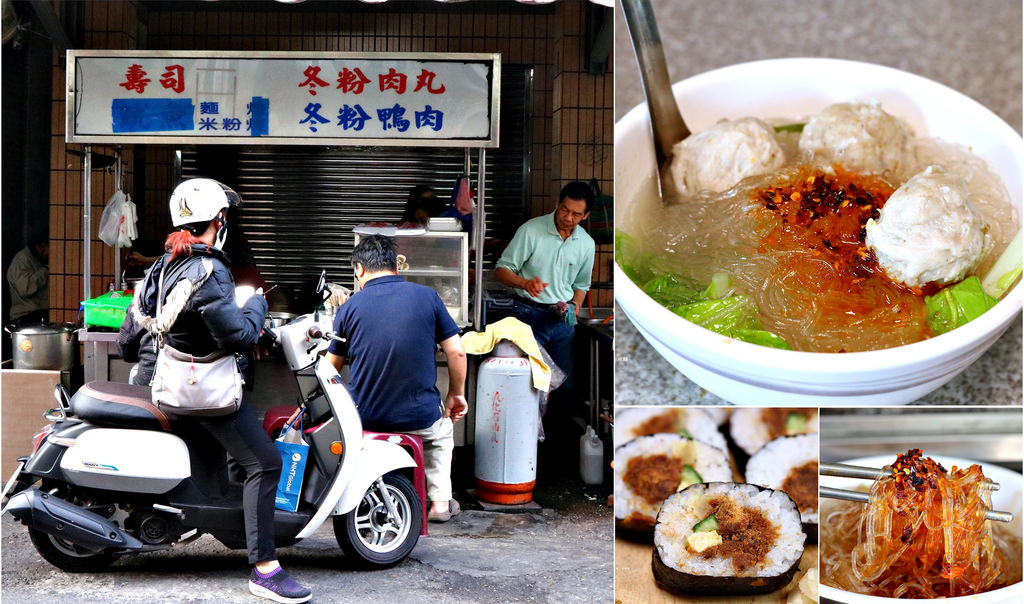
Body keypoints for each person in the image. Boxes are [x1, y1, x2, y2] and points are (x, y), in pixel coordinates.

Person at [118, 178, 311, 604]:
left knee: (218, 461)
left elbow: (126, 342)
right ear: (219, 220)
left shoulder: (161, 266)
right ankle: (264, 569)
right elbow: (240, 336)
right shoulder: (211, 270)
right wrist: (257, 302)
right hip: (205, 394)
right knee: (264, 463)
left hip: (165, 387)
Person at [324, 234, 468, 523]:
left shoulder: (349, 307)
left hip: (367, 418)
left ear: (359, 270)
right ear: (397, 268)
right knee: (441, 434)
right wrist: (456, 394)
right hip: (420, 417)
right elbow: (457, 353)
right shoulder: (428, 297)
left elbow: (331, 369)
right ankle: (440, 502)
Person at [494, 181, 596, 421]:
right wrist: (523, 283)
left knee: (561, 386)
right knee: (527, 383)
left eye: (576, 214)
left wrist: (576, 305)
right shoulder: (532, 230)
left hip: (562, 324)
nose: (568, 217)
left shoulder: (586, 244)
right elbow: (502, 269)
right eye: (564, 209)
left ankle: (554, 448)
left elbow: (581, 285)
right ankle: (522, 442)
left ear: (586, 215)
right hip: (528, 316)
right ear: (557, 204)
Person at [7, 234, 50, 326]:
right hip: (25, 316)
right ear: (43, 246)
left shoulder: (37, 259)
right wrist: (45, 271)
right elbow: (25, 288)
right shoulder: (22, 260)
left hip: (36, 313)